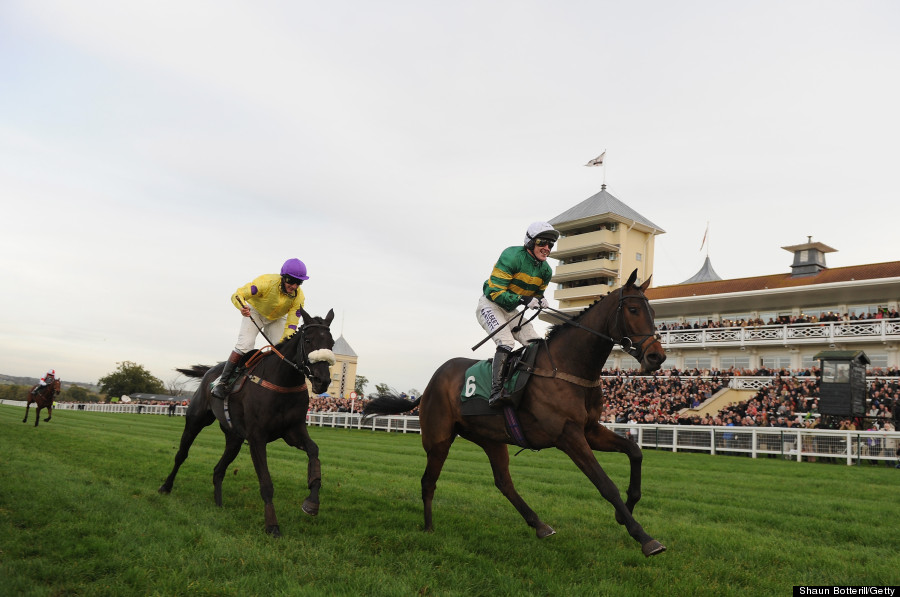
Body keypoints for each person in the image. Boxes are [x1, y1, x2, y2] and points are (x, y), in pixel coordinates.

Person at [476, 221, 558, 406]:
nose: (547, 248)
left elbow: (535, 296)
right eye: (542, 243)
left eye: (550, 245)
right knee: (506, 342)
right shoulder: (512, 255)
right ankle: (495, 392)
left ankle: (523, 385)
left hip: (510, 310)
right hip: (490, 305)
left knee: (537, 344)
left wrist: (540, 300)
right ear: (530, 242)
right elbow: (495, 292)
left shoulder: (546, 270)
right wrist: (523, 299)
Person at [211, 258, 309, 399]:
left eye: (298, 282)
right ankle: (222, 382)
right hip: (255, 312)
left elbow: (292, 325)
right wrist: (241, 307)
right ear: (283, 277)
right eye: (290, 281)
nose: (294, 286)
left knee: (281, 349)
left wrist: (282, 344)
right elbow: (238, 294)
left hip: (277, 318)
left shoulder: (299, 297)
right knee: (245, 345)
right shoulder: (266, 282)